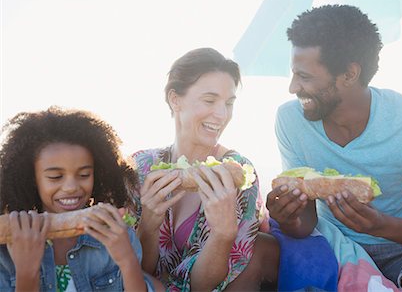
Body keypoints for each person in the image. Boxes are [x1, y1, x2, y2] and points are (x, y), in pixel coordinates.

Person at [267, 4, 402, 291]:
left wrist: (379, 226)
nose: (292, 87)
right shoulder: (290, 119)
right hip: (333, 246)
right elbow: (304, 225)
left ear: (350, 74)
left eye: (304, 76)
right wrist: (287, 217)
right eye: (294, 73)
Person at [133, 47, 278, 291]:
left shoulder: (240, 175)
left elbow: (204, 287)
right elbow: (139, 274)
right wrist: (147, 226)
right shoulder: (140, 167)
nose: (222, 115)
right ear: (175, 99)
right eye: (210, 100)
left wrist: (223, 234)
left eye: (229, 103)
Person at [0, 107, 160, 292]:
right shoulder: (7, 249)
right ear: (32, 179)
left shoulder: (117, 236)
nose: (71, 187)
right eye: (55, 177)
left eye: (84, 174)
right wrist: (26, 273)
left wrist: (127, 260)